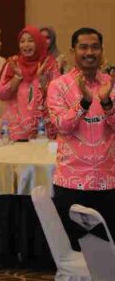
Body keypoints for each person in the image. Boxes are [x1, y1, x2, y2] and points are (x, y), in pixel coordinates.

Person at [47, 28, 114, 250]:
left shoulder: (111, 84)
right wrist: (84, 102)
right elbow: (62, 126)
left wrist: (106, 103)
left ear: (102, 50)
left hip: (108, 181)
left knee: (108, 253)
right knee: (75, 252)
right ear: (73, 50)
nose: (89, 52)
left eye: (95, 47)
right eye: (83, 47)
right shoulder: (59, 85)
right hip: (71, 183)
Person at [0, 26, 60, 141]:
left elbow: (59, 98)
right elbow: (2, 94)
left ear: (38, 42)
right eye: (22, 41)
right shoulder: (13, 64)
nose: (26, 45)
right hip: (16, 128)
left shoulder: (49, 64)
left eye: (31, 40)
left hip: (43, 128)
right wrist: (17, 77)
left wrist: (43, 81)